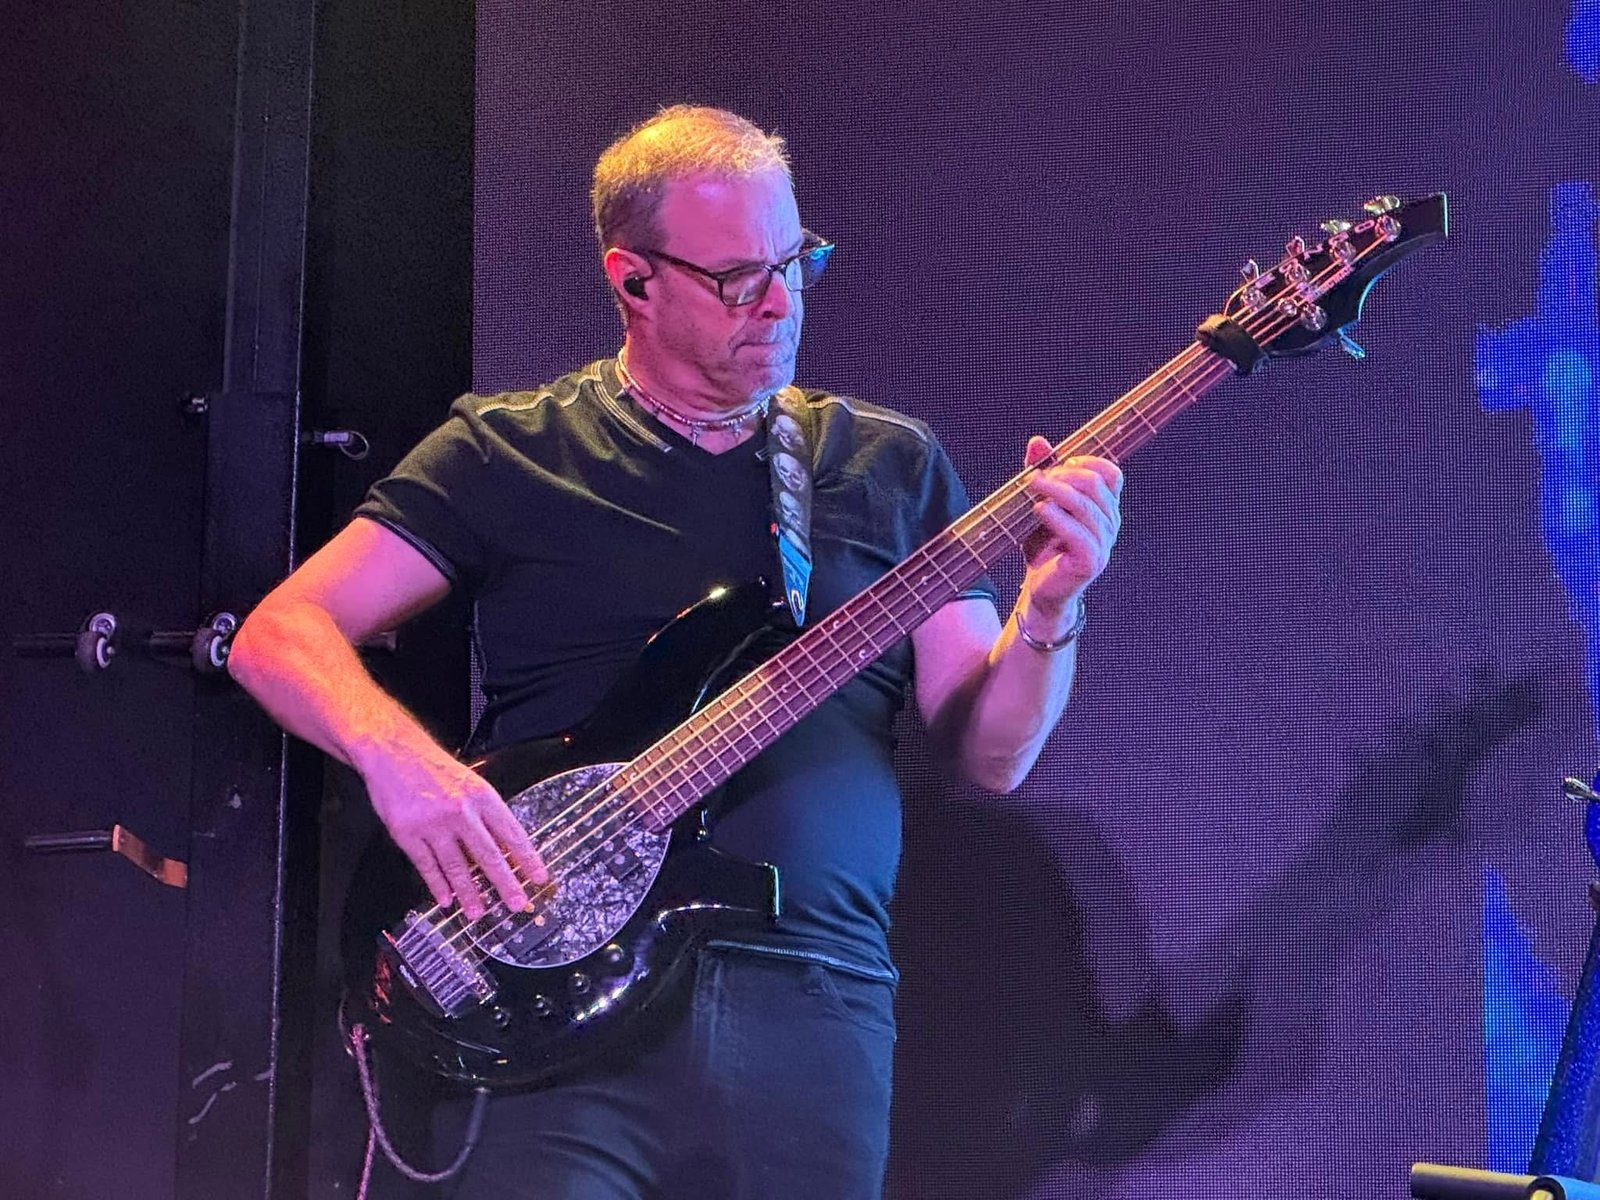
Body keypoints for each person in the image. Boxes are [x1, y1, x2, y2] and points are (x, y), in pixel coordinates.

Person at [227, 104, 1123, 1199]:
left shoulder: (887, 465)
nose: (781, 302)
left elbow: (991, 755)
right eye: (739, 279)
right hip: (551, 989)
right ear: (634, 280)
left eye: (795, 263)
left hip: (810, 998)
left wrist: (1050, 611)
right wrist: (405, 765)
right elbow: (280, 634)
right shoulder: (512, 450)